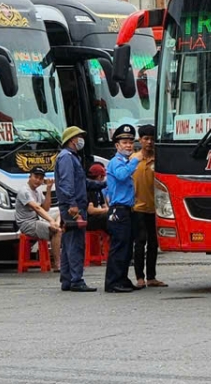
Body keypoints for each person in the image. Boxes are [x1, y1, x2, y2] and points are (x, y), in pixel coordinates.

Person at [56, 126, 97, 292]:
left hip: (73, 204)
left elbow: (82, 182)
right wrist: (72, 204)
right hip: (73, 207)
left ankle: (67, 279)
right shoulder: (66, 158)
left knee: (68, 243)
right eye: (79, 136)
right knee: (75, 244)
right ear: (72, 139)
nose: (81, 140)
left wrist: (103, 184)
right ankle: (76, 280)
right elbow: (67, 184)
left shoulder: (72, 157)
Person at [104, 124, 142, 293]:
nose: (128, 145)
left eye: (130, 142)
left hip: (127, 209)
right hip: (118, 210)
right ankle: (113, 282)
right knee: (119, 247)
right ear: (117, 145)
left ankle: (122, 278)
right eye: (124, 142)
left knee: (126, 248)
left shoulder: (125, 162)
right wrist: (135, 160)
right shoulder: (117, 162)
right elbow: (120, 176)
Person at [132, 125, 166, 288]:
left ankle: (151, 277)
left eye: (152, 139)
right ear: (140, 140)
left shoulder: (159, 160)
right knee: (140, 242)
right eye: (146, 139)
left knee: (154, 243)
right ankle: (140, 277)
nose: (149, 142)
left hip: (156, 208)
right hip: (137, 208)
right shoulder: (133, 160)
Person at [16, 167, 62, 272]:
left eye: (41, 179)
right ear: (30, 177)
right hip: (27, 224)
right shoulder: (24, 191)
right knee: (57, 231)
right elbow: (37, 208)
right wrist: (51, 221)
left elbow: (46, 208)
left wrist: (49, 189)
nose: (38, 180)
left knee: (61, 212)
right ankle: (57, 264)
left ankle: (56, 224)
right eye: (36, 177)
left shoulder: (37, 192)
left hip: (37, 221)